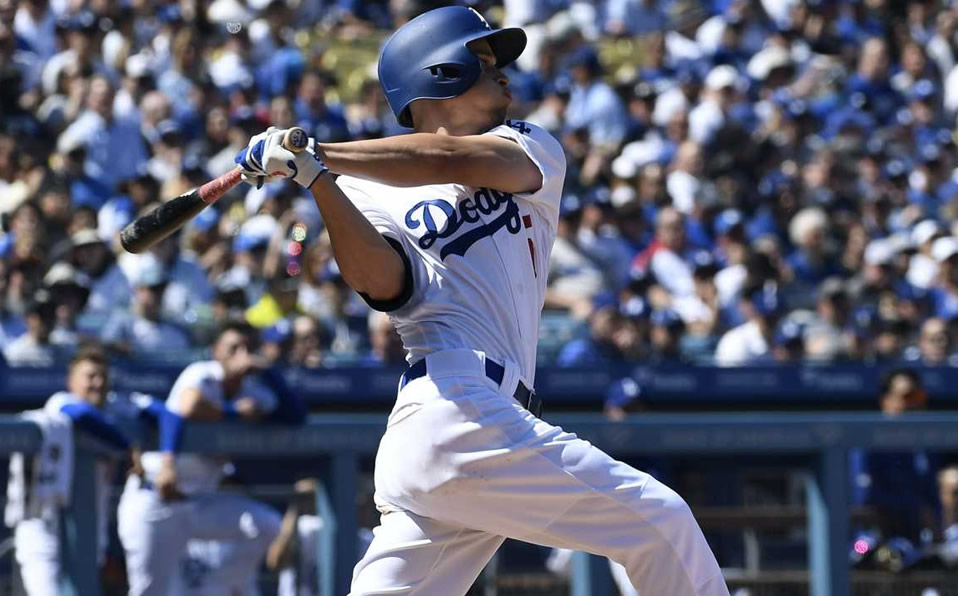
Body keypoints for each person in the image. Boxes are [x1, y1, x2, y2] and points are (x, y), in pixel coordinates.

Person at [234, 7, 727, 594]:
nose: (503, 73)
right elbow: (384, 286)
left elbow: (446, 158)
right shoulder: (363, 188)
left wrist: (320, 154)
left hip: (483, 420)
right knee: (661, 523)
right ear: (437, 72)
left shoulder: (530, 143)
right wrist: (318, 180)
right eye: (484, 60)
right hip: (450, 404)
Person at [117, 323, 283, 596]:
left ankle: (214, 587)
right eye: (233, 348)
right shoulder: (202, 372)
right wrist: (233, 413)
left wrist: (267, 369)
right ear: (216, 351)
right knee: (149, 591)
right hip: (155, 498)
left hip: (199, 503)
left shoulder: (252, 388)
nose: (242, 355)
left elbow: (293, 412)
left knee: (265, 525)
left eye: (248, 348)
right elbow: (188, 406)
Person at [4, 345, 177, 595]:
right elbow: (82, 416)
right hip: (42, 521)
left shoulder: (113, 405)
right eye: (90, 376)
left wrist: (168, 459)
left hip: (89, 525)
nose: (98, 383)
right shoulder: (61, 402)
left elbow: (167, 414)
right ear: (71, 380)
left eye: (103, 377)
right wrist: (127, 446)